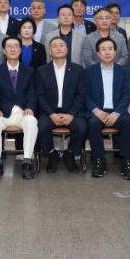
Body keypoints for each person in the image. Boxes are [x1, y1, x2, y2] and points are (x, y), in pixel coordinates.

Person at [0, 36, 38, 180]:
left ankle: (27, 162)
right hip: (4, 113)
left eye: (16, 46)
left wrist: (30, 107)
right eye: (9, 46)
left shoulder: (29, 71)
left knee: (31, 121)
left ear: (20, 50)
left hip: (23, 113)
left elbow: (32, 93)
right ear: (4, 51)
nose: (13, 49)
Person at [85, 37, 130, 180]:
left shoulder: (124, 72)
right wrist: (96, 110)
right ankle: (99, 161)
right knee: (93, 124)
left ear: (115, 52)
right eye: (103, 49)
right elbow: (85, 94)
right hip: (97, 111)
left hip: (118, 111)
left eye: (110, 49)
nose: (107, 52)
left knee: (127, 123)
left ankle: (126, 161)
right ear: (98, 53)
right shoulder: (89, 71)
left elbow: (127, 94)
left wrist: (117, 112)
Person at [35, 37, 87, 174]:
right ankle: (52, 154)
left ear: (67, 50)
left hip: (72, 111)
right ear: (49, 51)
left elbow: (81, 95)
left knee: (81, 127)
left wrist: (71, 114)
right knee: (42, 127)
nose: (58, 48)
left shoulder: (78, 69)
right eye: (54, 46)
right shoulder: (41, 70)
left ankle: (70, 153)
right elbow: (40, 95)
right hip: (49, 112)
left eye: (61, 45)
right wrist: (51, 114)